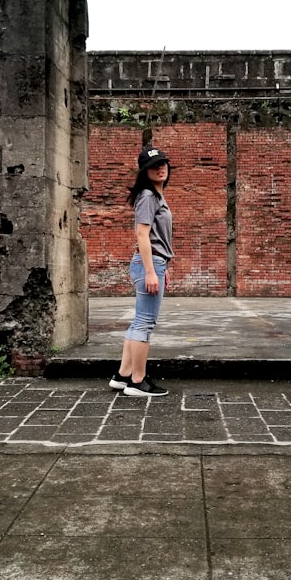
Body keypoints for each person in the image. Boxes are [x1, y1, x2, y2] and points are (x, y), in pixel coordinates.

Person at [109, 146, 173, 397]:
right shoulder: (148, 195)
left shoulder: (156, 196)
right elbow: (142, 234)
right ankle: (138, 381)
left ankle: (122, 375)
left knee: (139, 321)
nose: (160, 168)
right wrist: (150, 271)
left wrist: (162, 266)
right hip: (149, 263)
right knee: (145, 323)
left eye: (163, 163)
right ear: (144, 171)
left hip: (155, 262)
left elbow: (158, 237)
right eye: (154, 165)